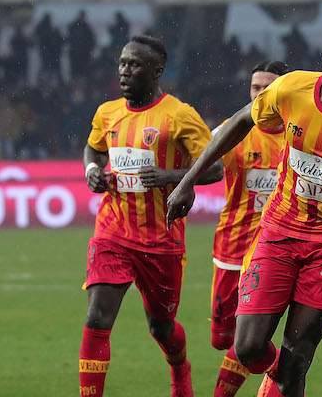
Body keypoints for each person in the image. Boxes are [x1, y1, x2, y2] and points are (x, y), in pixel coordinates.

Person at [166, 25, 322, 397]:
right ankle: (282, 378)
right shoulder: (292, 89)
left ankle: (287, 376)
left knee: (297, 357)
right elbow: (240, 121)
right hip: (279, 231)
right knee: (247, 349)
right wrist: (186, 182)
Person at [79, 35, 223, 397]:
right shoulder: (107, 112)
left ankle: (180, 371)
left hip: (161, 240)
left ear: (157, 71)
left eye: (134, 64)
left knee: (161, 326)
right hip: (113, 231)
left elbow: (215, 169)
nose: (124, 71)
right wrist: (92, 171)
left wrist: (173, 177)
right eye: (122, 63)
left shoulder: (179, 115)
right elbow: (93, 149)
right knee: (97, 317)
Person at [210, 60, 289, 397]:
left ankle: (282, 373)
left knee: (250, 336)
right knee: (222, 338)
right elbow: (200, 160)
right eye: (255, 88)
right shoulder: (234, 129)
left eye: (267, 88)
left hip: (273, 250)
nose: (259, 95)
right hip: (231, 245)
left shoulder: (299, 134)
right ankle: (281, 366)